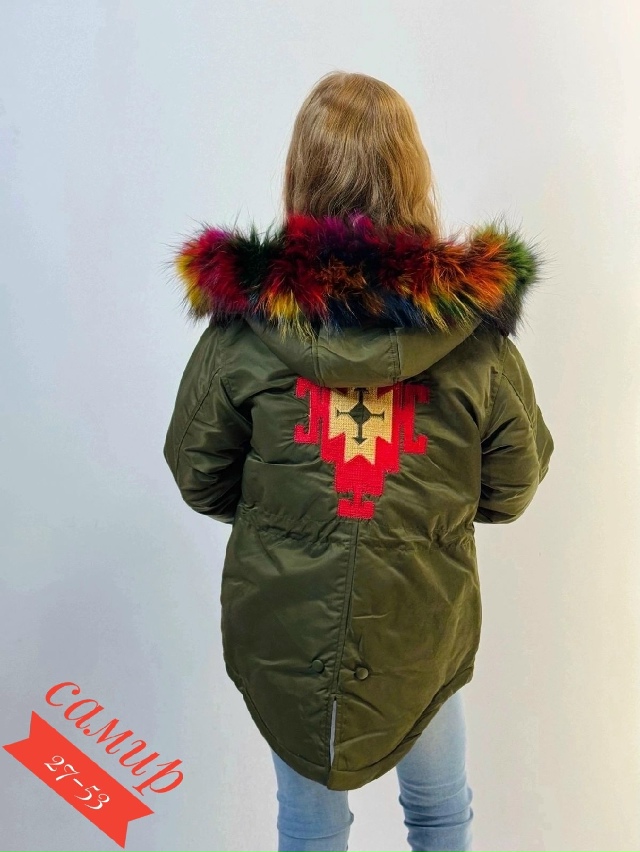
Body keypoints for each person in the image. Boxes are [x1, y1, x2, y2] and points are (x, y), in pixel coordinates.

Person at [163, 70, 554, 852]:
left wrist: (285, 514)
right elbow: (512, 486)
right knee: (440, 815)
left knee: (310, 824)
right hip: (420, 616)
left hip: (288, 622)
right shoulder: (473, 338)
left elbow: (198, 472)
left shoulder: (244, 332)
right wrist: (422, 516)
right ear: (412, 175)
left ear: (300, 176)